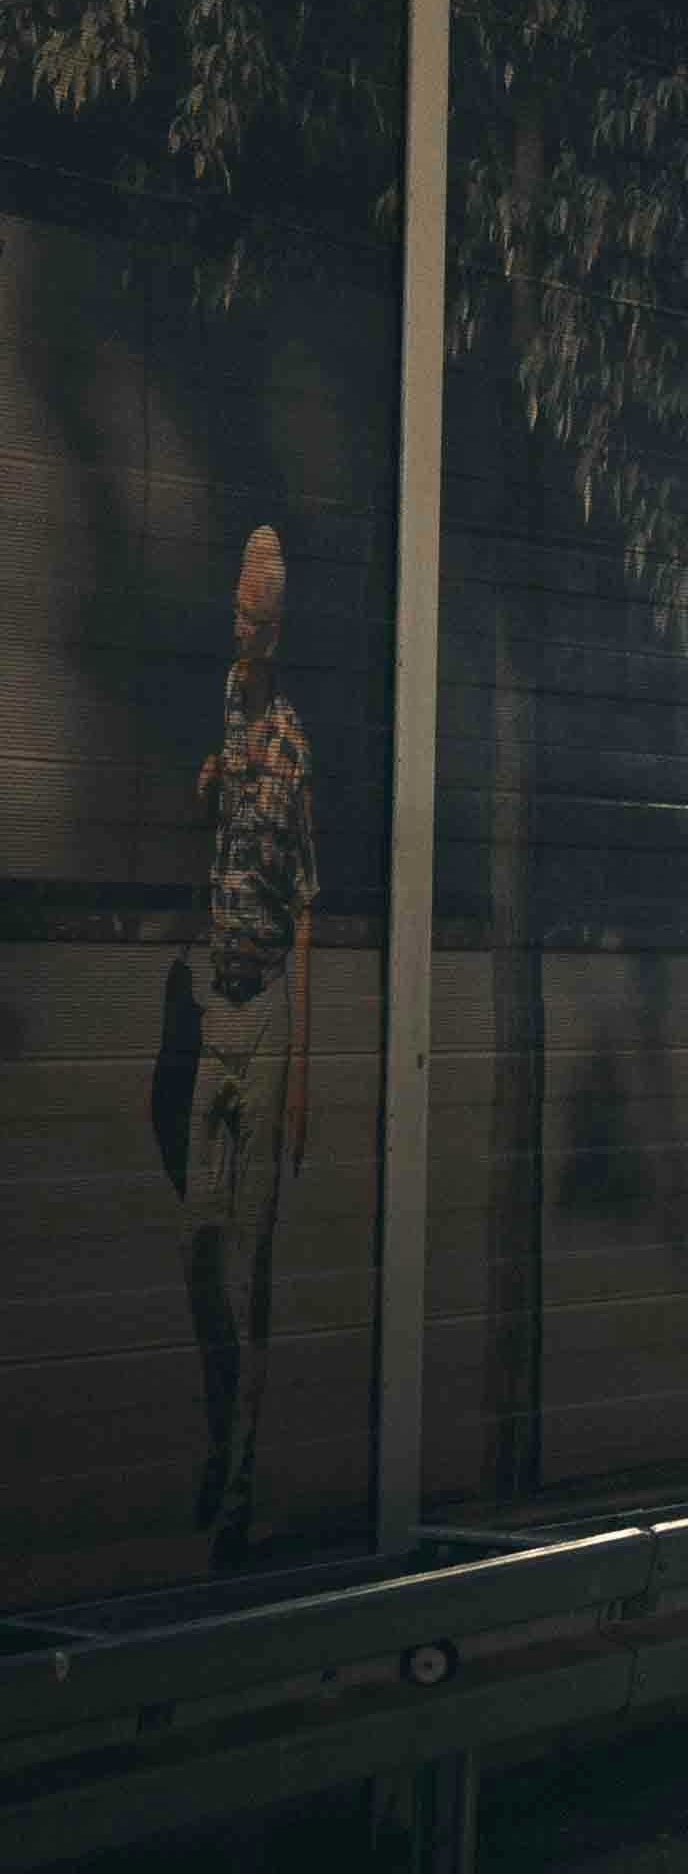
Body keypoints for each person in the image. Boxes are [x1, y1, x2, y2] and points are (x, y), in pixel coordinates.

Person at [180, 521, 317, 1566]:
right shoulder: (226, 709)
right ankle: (217, 1430)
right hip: (214, 1004)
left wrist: (305, 1067)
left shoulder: (291, 743)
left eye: (258, 615)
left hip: (267, 1004)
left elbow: (302, 901)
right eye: (237, 605)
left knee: (246, 1259)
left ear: (281, 627)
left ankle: (241, 1477)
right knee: (201, 1245)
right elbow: (218, 822)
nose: (243, 627)